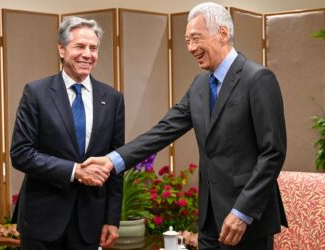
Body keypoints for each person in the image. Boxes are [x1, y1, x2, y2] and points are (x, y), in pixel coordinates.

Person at [82, 2, 288, 250]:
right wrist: (112, 160)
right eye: (186, 41)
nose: (190, 48)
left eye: (196, 38)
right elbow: (163, 130)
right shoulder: (199, 85)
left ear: (223, 33)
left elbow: (273, 153)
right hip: (210, 220)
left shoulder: (257, 78)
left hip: (246, 218)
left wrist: (242, 211)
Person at [10, 16, 124, 250]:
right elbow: (21, 153)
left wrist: (112, 219)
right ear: (61, 49)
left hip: (90, 222)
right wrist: (74, 171)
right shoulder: (36, 93)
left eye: (93, 48)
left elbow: (115, 162)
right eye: (80, 46)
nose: (88, 54)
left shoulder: (112, 99)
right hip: (42, 221)